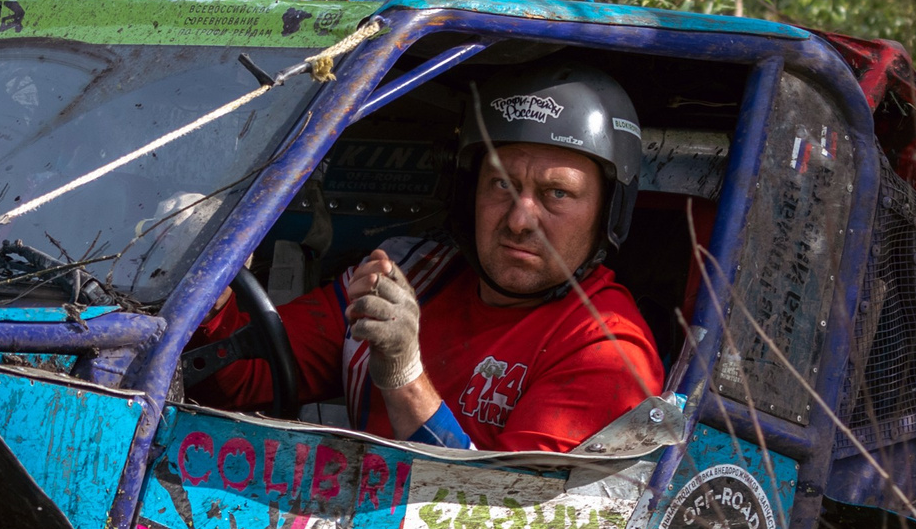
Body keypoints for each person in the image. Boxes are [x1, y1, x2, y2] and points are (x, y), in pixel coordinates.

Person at [189, 61, 664, 453]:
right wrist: (209, 295)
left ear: (606, 212)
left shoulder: (608, 352)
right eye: (501, 184)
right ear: (468, 192)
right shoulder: (409, 274)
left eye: (557, 193)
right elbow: (243, 379)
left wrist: (403, 376)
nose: (520, 220)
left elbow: (499, 519)